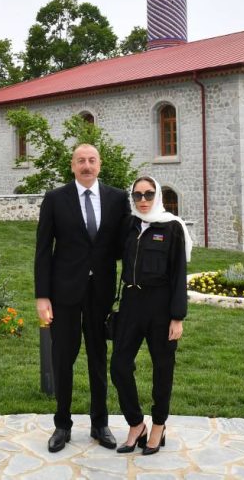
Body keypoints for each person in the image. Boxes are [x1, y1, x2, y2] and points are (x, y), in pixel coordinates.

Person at [34, 144, 130, 453]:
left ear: (99, 165)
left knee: (98, 356)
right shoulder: (55, 199)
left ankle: (99, 423)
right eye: (80, 161)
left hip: (100, 291)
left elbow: (125, 245)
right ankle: (62, 425)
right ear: (72, 166)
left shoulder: (117, 199)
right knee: (64, 356)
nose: (86, 165)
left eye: (91, 160)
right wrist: (42, 296)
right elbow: (43, 250)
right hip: (64, 292)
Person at [110, 176, 190, 456]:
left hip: (161, 306)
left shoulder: (172, 228)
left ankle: (158, 425)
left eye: (148, 194)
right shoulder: (129, 225)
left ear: (157, 196)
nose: (142, 200)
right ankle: (135, 424)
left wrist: (177, 317)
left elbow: (180, 274)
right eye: (137, 195)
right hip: (131, 303)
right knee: (119, 365)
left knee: (162, 368)